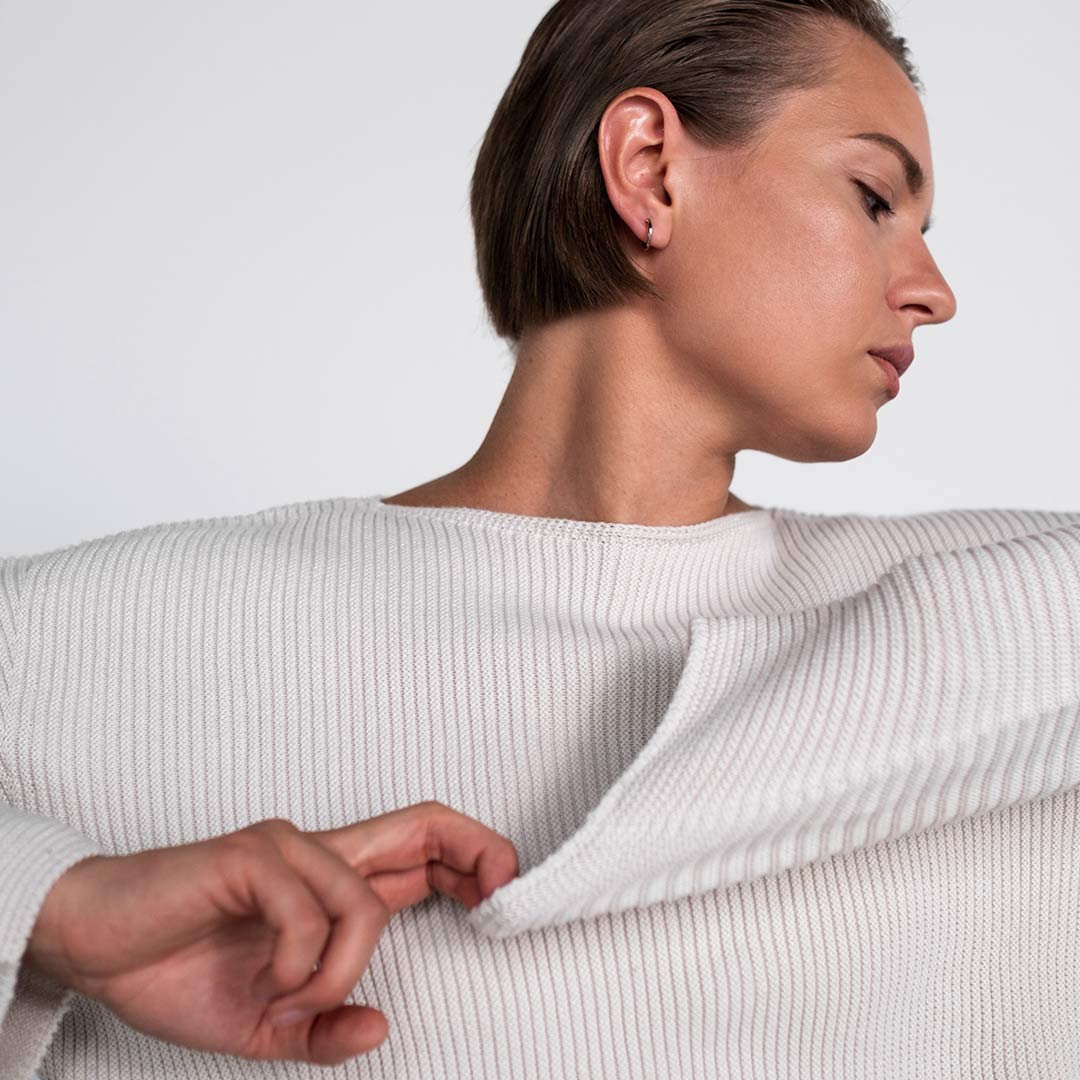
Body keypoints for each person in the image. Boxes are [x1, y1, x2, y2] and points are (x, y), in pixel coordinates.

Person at [3, 1, 1079, 1078]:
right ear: (650, 168)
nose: (932, 293)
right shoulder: (73, 646)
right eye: (875, 197)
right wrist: (53, 913)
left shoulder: (1016, 632)